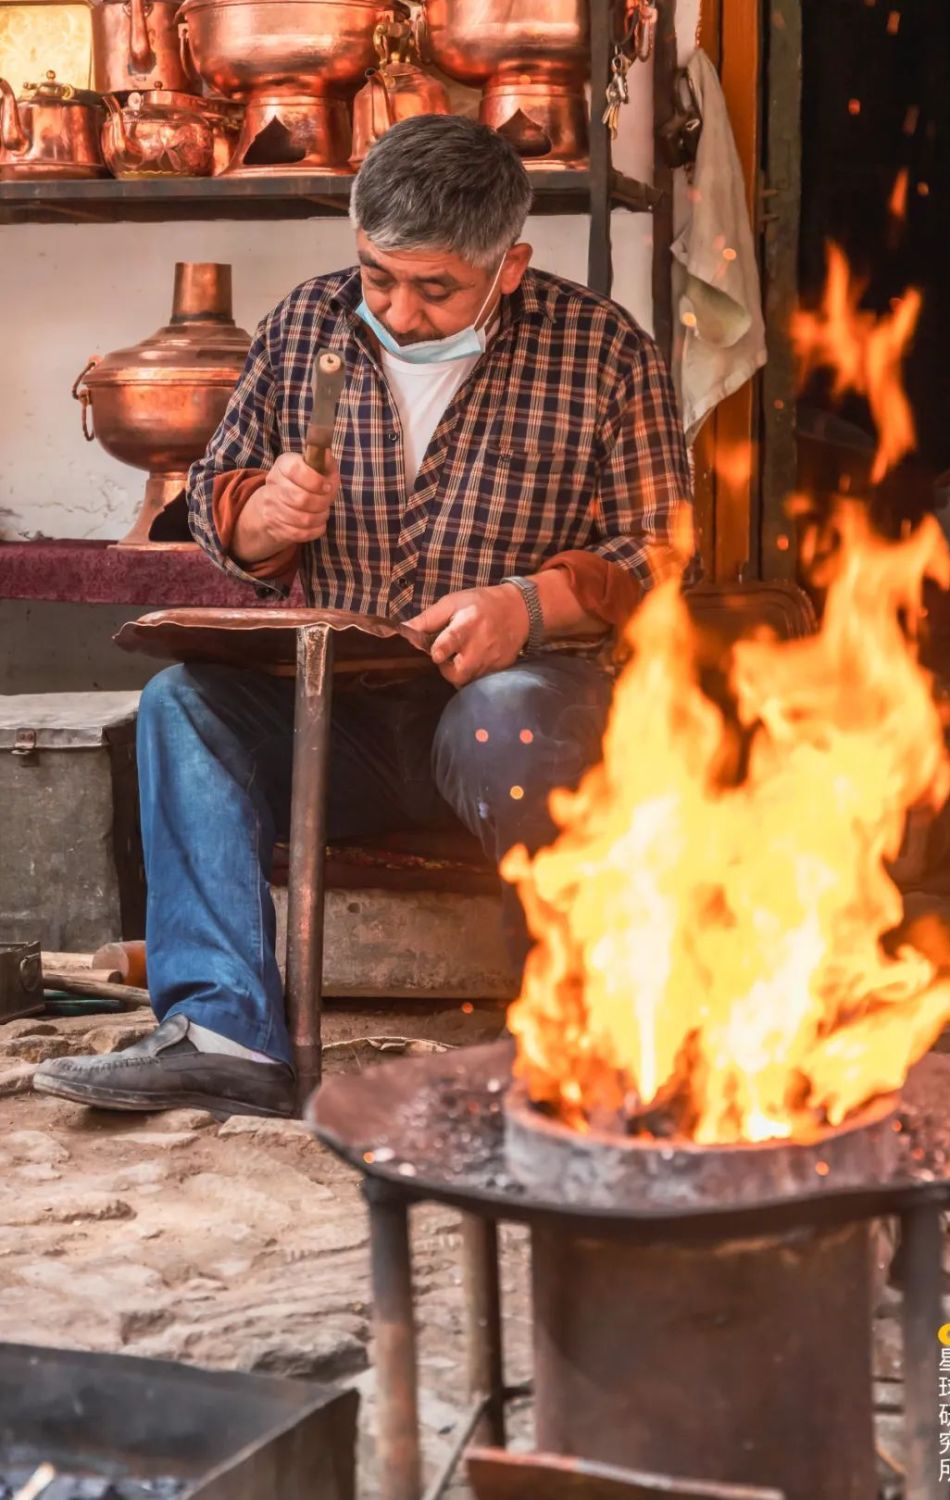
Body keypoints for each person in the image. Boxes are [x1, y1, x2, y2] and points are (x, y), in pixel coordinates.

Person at [35, 114, 690, 1118]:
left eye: (437, 288)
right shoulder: (307, 326)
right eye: (380, 277)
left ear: (508, 266)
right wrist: (259, 519)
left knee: (503, 718)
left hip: (510, 714)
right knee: (183, 704)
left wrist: (528, 605)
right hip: (334, 715)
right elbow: (219, 496)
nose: (401, 310)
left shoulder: (601, 351)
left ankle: (591, 1031)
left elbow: (661, 549)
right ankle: (223, 1033)